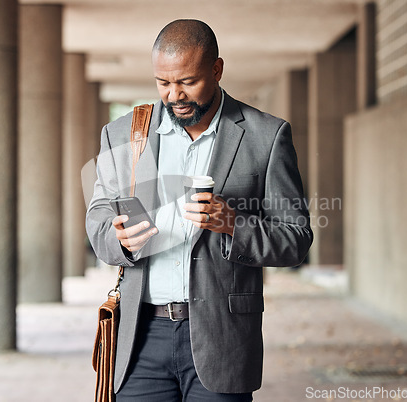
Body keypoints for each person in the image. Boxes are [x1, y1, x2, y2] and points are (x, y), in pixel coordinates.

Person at [86, 19, 313, 402]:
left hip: (222, 338)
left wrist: (234, 224)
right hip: (140, 339)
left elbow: (296, 239)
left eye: (187, 82)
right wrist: (119, 239)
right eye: (163, 83)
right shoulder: (124, 134)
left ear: (217, 69)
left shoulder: (266, 136)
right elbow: (98, 221)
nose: (174, 95)